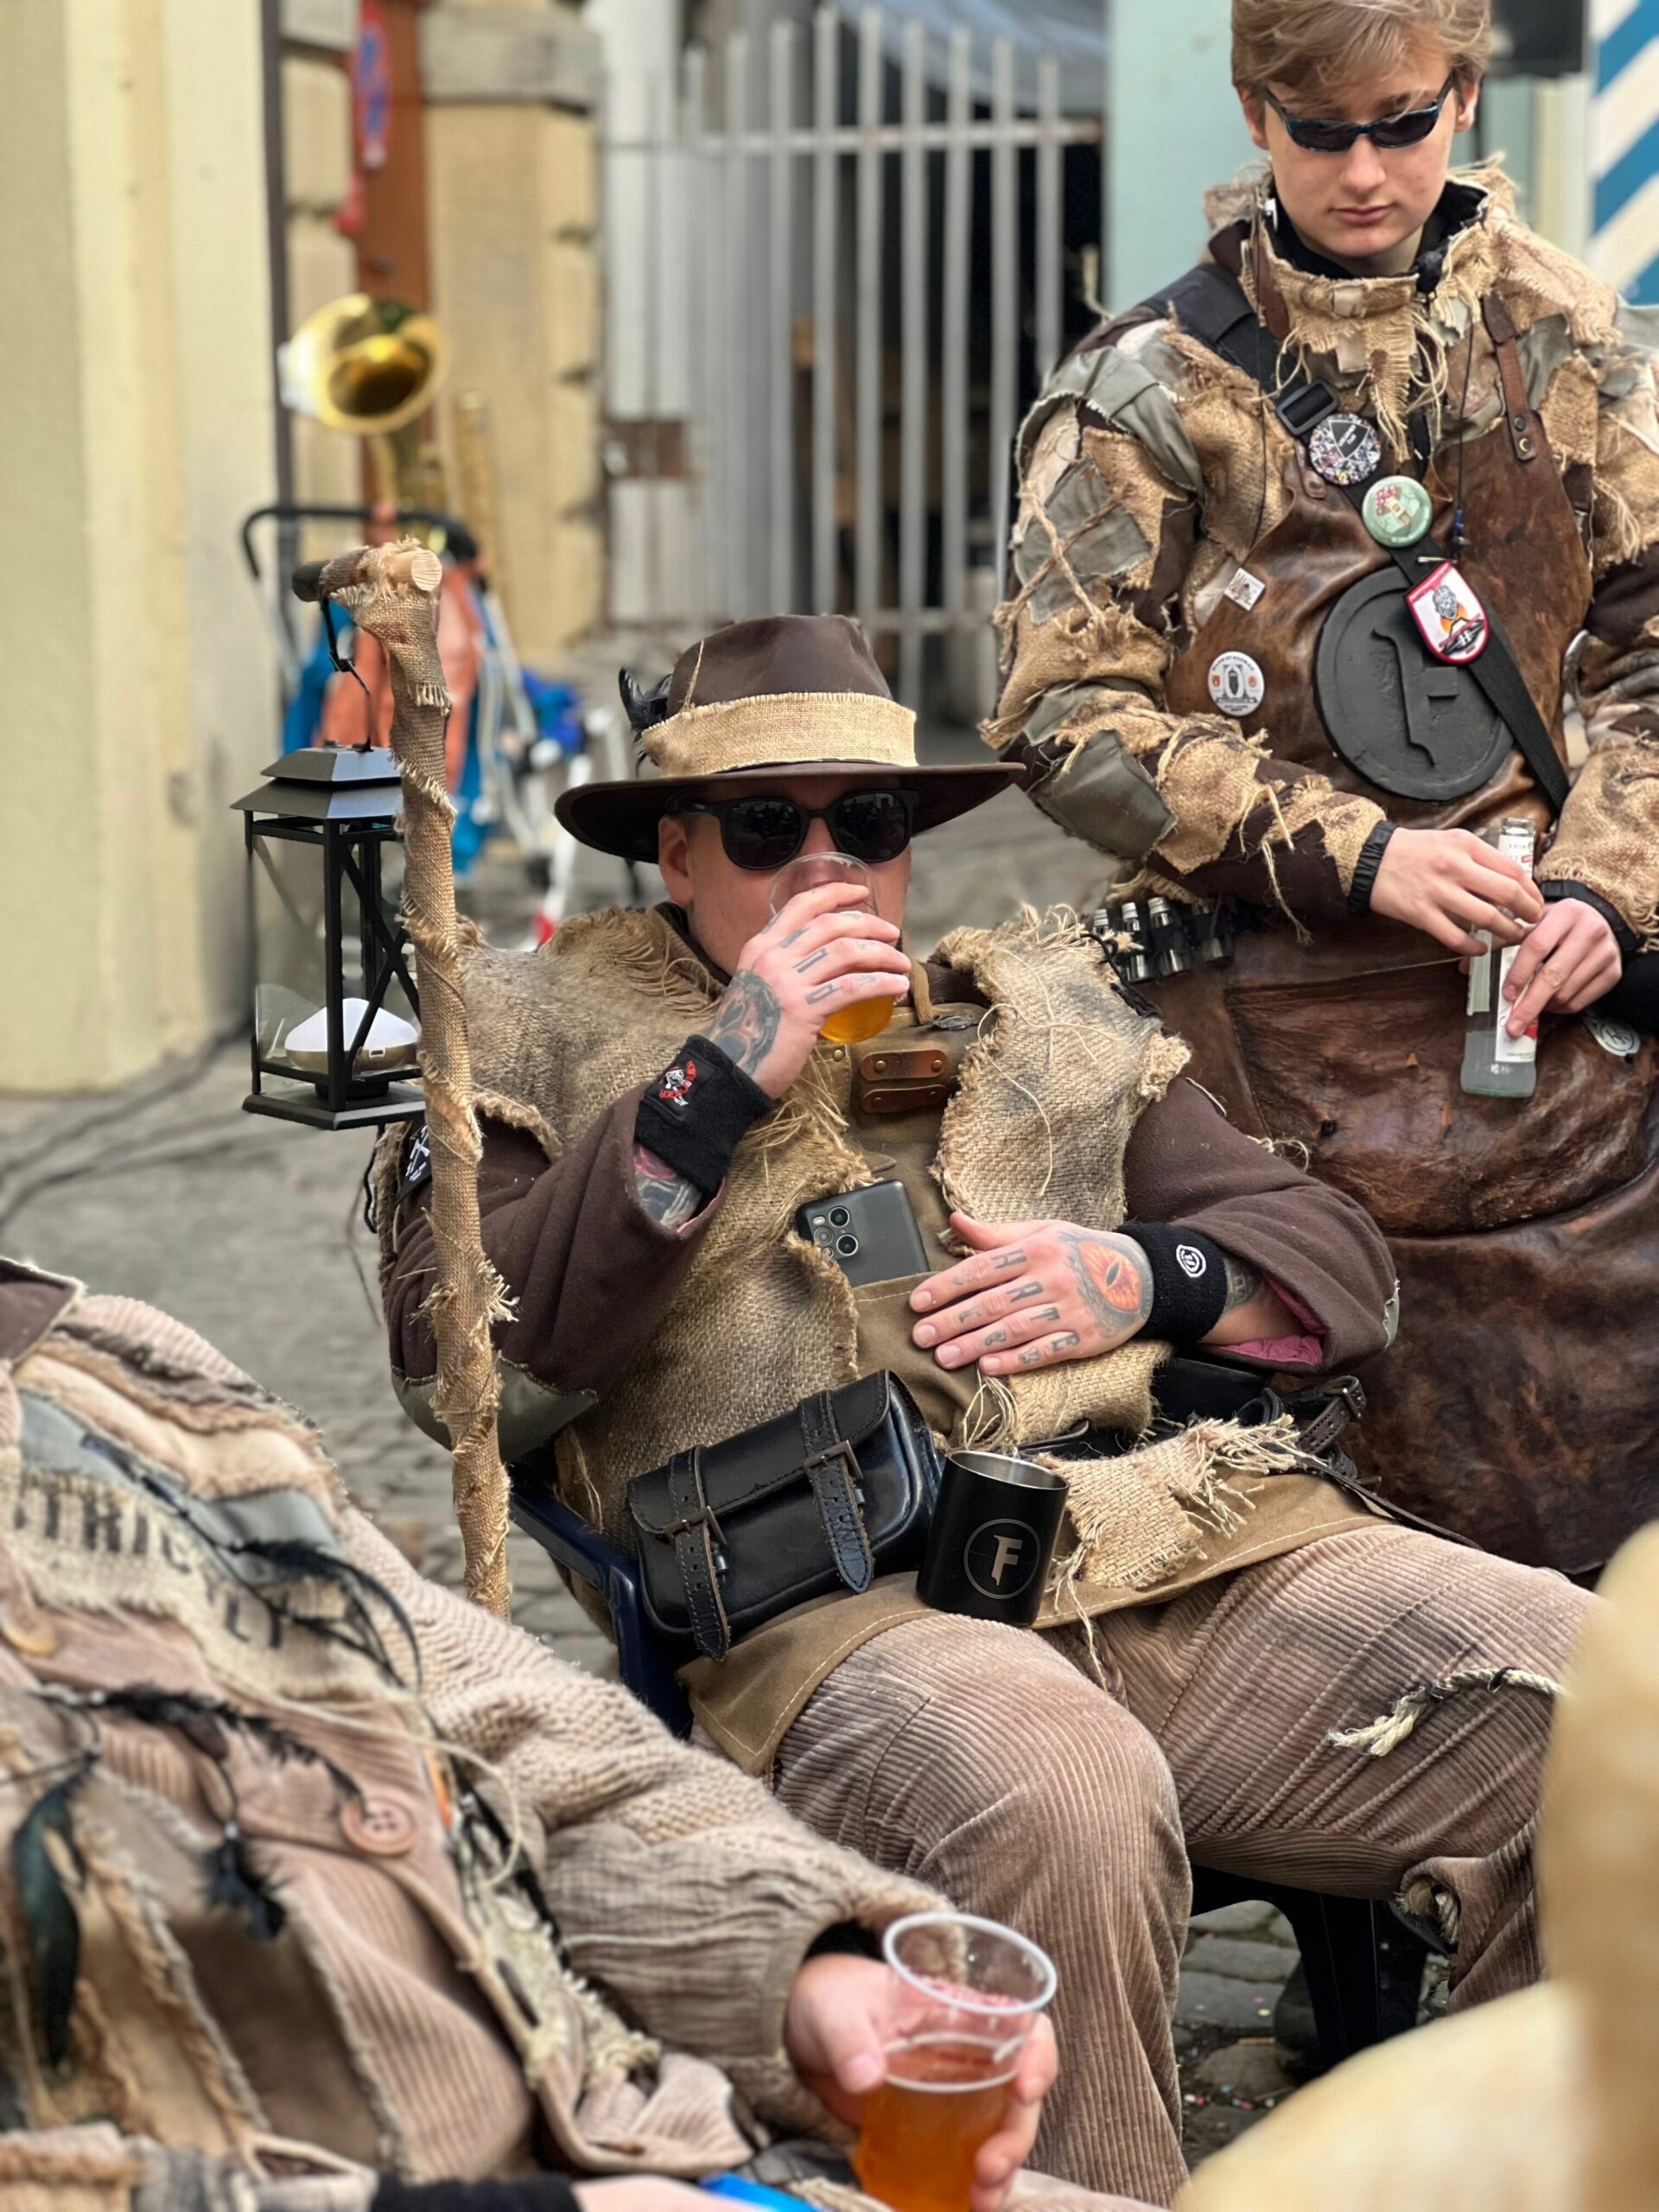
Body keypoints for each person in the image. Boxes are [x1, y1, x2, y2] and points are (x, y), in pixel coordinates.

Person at [379, 614, 1592, 2209]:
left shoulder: (1029, 1016)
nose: (829, 867)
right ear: (675, 852)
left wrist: (1144, 1277)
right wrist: (722, 1074)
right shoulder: (528, 1038)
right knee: (1061, 1791)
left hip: (1178, 1547)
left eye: (870, 824)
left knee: (1610, 1706)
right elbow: (469, 1368)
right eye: (768, 828)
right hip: (852, 1615)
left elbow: (1341, 1271)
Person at [0, 1257, 1127, 2212]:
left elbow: (535, 1744)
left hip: (673, 2146)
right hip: (799, 1590)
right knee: (1052, 1771)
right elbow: (474, 1365)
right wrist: (702, 1103)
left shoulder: (114, 1370)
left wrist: (794, 1963)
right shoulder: (546, 1078)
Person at [990, 0, 1659, 1579]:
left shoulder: (1571, 337)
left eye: (1404, 123)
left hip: (1550, 1017)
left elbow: (1654, 652)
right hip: (1271, 1035)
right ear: (1255, 114)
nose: (1366, 171)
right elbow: (1061, 714)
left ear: (1465, 96)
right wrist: (1360, 857)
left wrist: (1608, 887)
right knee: (1342, 1524)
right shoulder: (1148, 384)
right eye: (1321, 130)